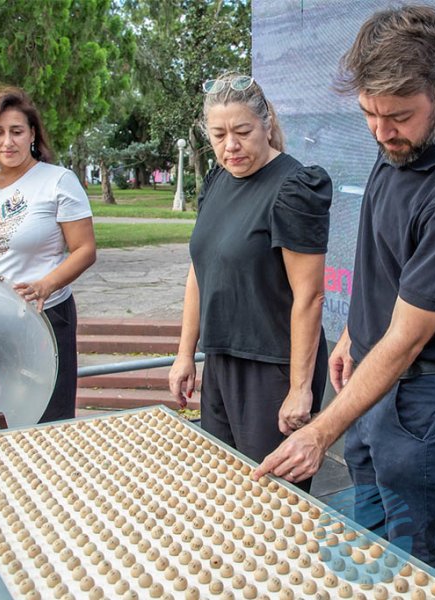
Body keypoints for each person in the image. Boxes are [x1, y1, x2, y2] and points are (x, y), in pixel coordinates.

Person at [254, 5, 435, 576]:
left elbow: (407, 342)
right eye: (369, 113)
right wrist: (352, 333)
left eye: (396, 116)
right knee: (362, 556)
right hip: (372, 384)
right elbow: (388, 259)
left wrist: (321, 431)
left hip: (424, 403)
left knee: (416, 571)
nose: (381, 131)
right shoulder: (400, 138)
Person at [168, 73, 332, 492]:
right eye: (219, 135)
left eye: (242, 131)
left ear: (266, 123)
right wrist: (185, 352)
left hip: (273, 368)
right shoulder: (216, 182)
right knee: (227, 491)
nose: (230, 146)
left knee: (274, 503)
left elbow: (309, 296)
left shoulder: (296, 187)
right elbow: (199, 270)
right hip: (222, 360)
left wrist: (299, 389)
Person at [0, 86, 96, 423]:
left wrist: (46, 285)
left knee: (45, 419)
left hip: (42, 319)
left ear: (33, 133)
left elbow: (85, 249)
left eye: (16, 132)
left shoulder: (58, 181)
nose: (7, 142)